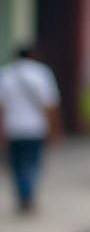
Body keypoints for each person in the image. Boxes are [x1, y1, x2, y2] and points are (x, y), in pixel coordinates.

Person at [0, 46, 61, 215]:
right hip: (35, 128)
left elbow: (2, 107)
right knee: (33, 164)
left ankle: (23, 195)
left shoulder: (6, 73)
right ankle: (28, 195)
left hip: (13, 128)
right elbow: (50, 105)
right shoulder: (41, 73)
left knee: (17, 165)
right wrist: (55, 129)